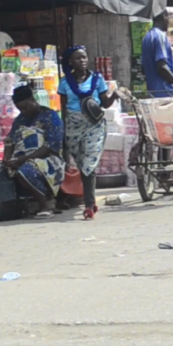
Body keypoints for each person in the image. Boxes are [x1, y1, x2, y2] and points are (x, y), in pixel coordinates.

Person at [58, 46, 121, 220]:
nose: (83, 61)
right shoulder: (64, 83)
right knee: (81, 163)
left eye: (84, 57)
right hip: (73, 125)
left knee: (89, 164)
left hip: (94, 125)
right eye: (78, 58)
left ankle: (88, 204)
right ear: (71, 62)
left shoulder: (97, 79)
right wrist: (63, 131)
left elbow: (104, 103)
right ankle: (90, 200)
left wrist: (114, 95)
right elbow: (64, 109)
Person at [0, 86, 65, 219]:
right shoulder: (19, 120)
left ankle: (45, 204)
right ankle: (11, 208)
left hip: (47, 159)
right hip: (21, 158)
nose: (24, 112)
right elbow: (10, 141)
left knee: (26, 171)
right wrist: (7, 157)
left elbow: (51, 146)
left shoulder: (50, 116)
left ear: (32, 100)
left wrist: (24, 159)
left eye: (25, 107)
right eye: (20, 109)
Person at [141, 11, 173, 99]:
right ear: (163, 17)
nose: (169, 22)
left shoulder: (146, 37)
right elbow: (162, 67)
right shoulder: (160, 36)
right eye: (168, 18)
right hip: (167, 93)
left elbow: (143, 69)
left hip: (153, 93)